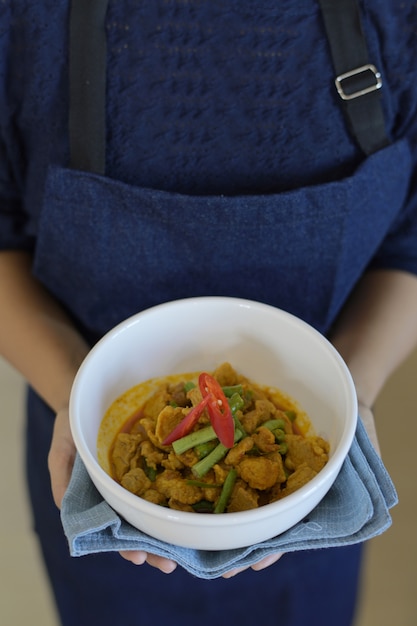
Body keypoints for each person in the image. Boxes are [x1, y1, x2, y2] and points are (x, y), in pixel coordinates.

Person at [1, 1, 417, 625]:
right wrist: (76, 393)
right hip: (90, 449)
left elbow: (408, 242)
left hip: (310, 503)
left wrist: (351, 390)